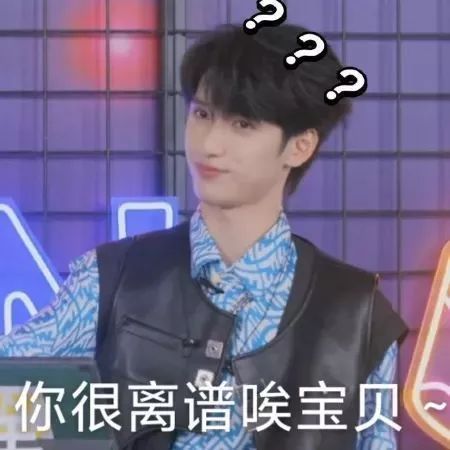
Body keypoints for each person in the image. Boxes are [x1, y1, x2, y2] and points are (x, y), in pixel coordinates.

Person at [0, 23, 408, 450]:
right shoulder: (111, 280)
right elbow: (9, 392)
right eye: (202, 114)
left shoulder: (356, 313)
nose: (210, 144)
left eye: (243, 124)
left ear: (299, 146)